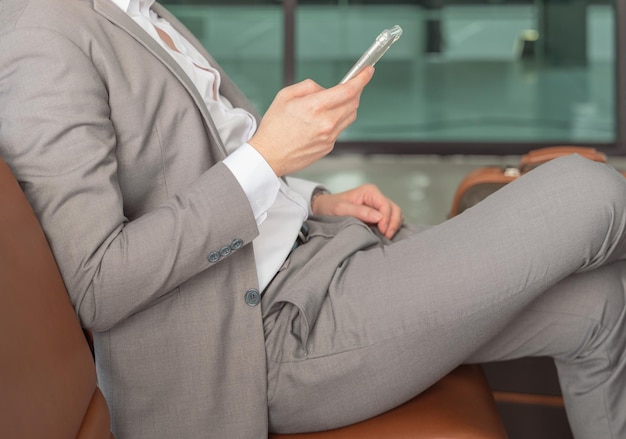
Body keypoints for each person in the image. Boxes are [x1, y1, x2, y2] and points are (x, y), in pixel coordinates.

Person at [1, 0, 626, 438]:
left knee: (601, 305)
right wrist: (267, 157)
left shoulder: (130, 10)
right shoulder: (41, 36)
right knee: (585, 189)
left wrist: (313, 199)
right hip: (256, 337)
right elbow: (97, 282)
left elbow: (194, 169)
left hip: (311, 258)